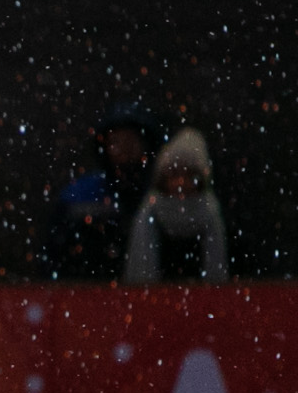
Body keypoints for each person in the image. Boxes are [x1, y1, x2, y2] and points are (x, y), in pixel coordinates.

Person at [46, 106, 158, 281]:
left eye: (131, 141)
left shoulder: (160, 192)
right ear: (104, 146)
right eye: (116, 141)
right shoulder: (81, 195)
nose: (124, 149)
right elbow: (53, 254)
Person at [125, 127, 228, 283]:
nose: (181, 182)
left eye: (188, 175)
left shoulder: (214, 217)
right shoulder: (147, 215)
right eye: (174, 174)